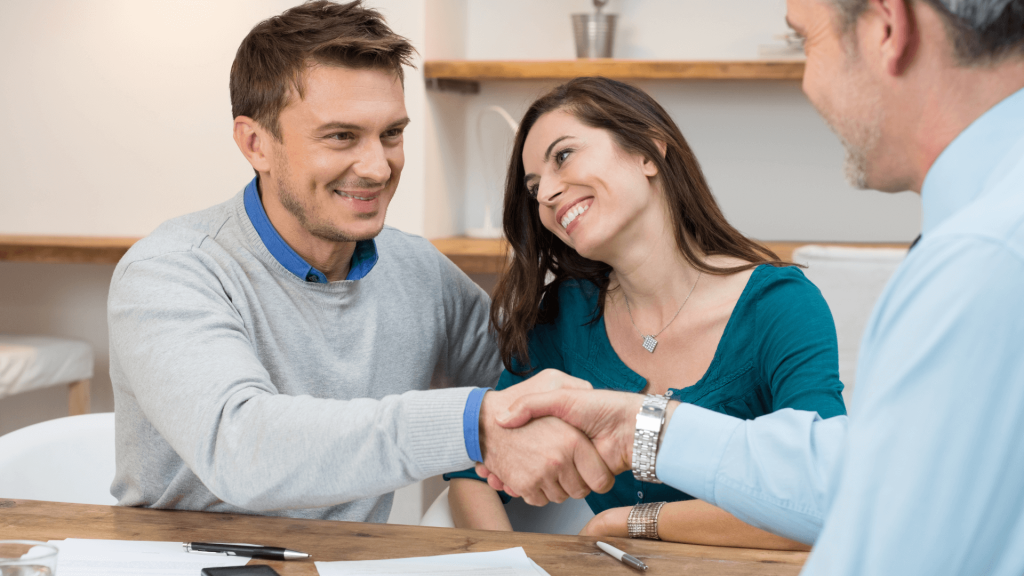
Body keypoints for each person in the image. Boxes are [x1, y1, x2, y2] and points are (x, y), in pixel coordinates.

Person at [479, 0, 1024, 573]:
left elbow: (889, 525)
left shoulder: (983, 260)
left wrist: (638, 498)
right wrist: (640, 428)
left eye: (804, 42)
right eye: (535, 185)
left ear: (889, 27)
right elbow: (858, 476)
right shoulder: (978, 243)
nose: (546, 196)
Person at [107, 0, 614, 523]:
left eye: (391, 134)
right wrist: (470, 425)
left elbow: (531, 383)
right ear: (255, 143)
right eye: (341, 136)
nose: (377, 167)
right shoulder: (170, 272)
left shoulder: (418, 271)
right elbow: (240, 447)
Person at [446, 77, 845, 550]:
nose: (547, 194)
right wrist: (507, 565)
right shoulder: (564, 315)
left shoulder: (779, 306)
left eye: (564, 156)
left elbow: (829, 499)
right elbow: (474, 466)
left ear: (648, 151)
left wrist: (629, 521)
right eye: (533, 187)